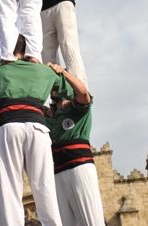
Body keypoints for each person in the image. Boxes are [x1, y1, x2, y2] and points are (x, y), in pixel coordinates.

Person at [0, 35, 69, 226]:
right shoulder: (45, 71)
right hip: (38, 129)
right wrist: (59, 71)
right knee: (45, 187)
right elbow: (73, 93)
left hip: (9, 128)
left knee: (10, 189)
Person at [45, 63, 104, 226]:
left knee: (92, 221)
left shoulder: (76, 107)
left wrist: (63, 73)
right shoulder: (49, 116)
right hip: (57, 173)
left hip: (80, 167)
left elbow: (83, 93)